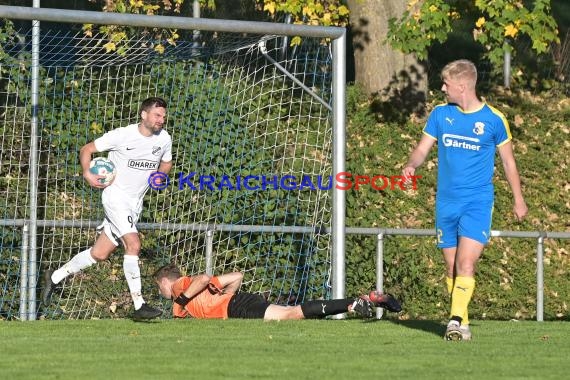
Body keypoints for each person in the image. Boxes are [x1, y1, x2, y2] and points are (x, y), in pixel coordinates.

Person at [402, 59, 528, 341]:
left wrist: (518, 199)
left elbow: (508, 163)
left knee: (466, 264)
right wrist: (411, 165)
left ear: (461, 86)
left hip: (477, 202)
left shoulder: (494, 119)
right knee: (451, 267)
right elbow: (422, 150)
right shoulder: (440, 114)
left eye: (446, 83)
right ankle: (463, 325)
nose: (442, 88)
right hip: (446, 202)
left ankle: (454, 320)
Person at [42, 97, 173, 321]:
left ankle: (54, 277)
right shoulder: (122, 135)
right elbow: (87, 150)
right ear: (143, 115)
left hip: (134, 204)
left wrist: (160, 176)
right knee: (133, 243)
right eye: (157, 115)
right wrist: (86, 173)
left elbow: (167, 162)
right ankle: (139, 304)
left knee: (99, 254)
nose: (162, 119)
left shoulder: (164, 139)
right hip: (115, 197)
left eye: (163, 116)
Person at [153, 264, 402, 320]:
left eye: (158, 287)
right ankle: (362, 300)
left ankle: (352, 305)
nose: (161, 291)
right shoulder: (188, 294)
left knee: (290, 315)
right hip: (239, 301)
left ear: (165, 281)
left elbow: (203, 278)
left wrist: (183, 299)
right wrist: (221, 296)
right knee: (294, 312)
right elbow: (237, 276)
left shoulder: (179, 287)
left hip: (237, 307)